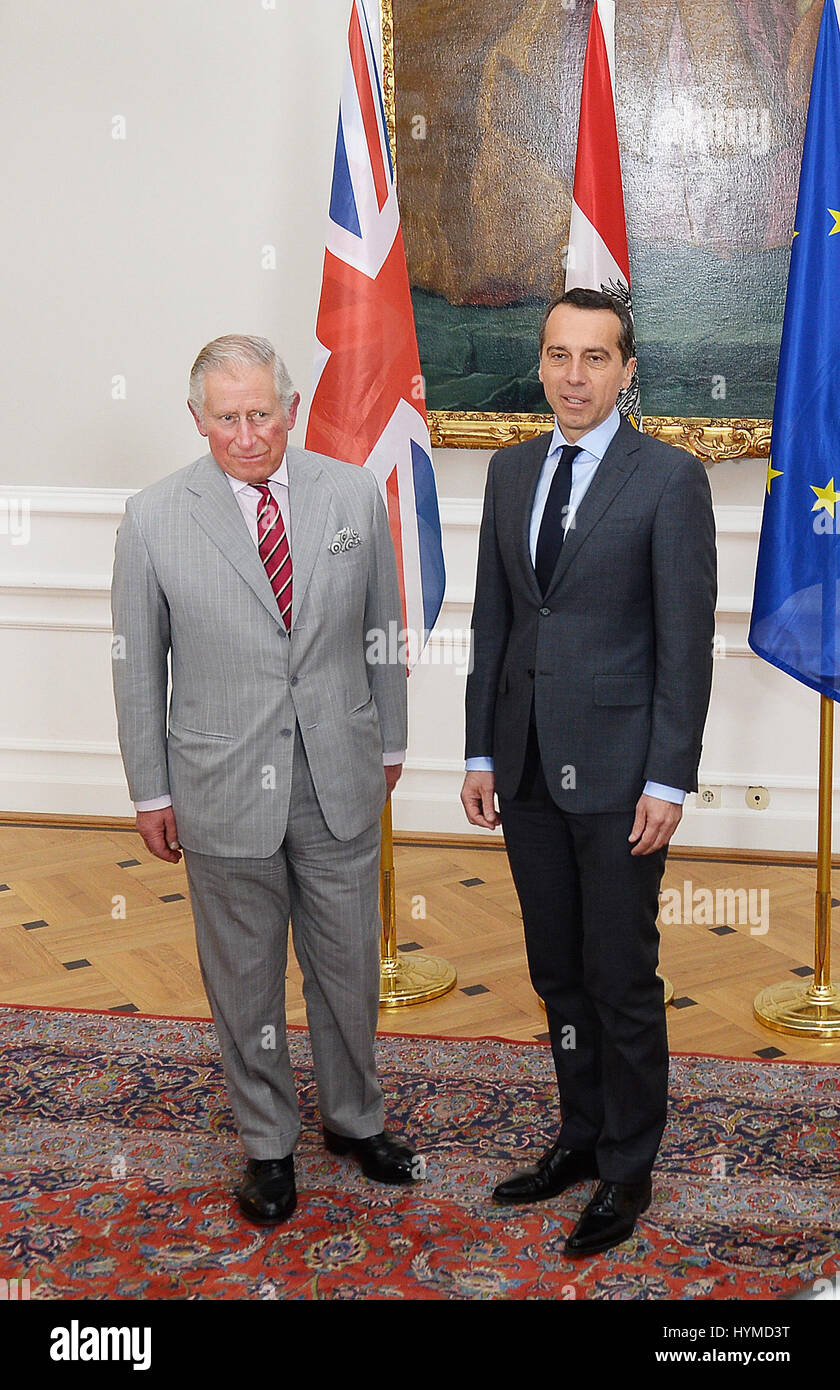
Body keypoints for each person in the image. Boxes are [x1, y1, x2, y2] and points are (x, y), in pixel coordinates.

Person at [111, 334, 417, 1226]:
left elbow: (381, 631)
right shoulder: (155, 517)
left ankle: (355, 1122)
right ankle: (267, 1144)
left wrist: (390, 741)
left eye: (262, 412)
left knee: (349, 967)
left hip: (340, 774)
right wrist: (150, 791)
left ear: (289, 407)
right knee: (244, 978)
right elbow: (139, 668)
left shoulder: (351, 491)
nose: (249, 434)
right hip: (219, 785)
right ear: (198, 420)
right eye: (228, 417)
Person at [461, 289, 717, 1256]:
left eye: (595, 358)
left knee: (618, 978)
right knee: (556, 974)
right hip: (522, 767)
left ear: (627, 370)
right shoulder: (511, 470)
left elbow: (684, 648)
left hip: (619, 779)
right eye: (559, 356)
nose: (574, 375)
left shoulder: (668, 481)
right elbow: (495, 621)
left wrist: (668, 779)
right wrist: (481, 749)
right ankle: (576, 1135)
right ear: (542, 363)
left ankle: (626, 1168)